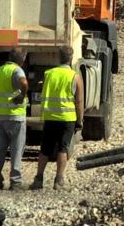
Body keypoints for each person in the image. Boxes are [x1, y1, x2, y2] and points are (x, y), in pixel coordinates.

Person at [30, 45, 84, 190]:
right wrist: (80, 119)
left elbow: (40, 88)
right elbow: (79, 101)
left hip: (50, 117)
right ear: (71, 59)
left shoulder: (49, 74)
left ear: (58, 58)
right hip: (67, 118)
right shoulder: (75, 77)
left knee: (45, 148)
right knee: (63, 148)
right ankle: (58, 180)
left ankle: (38, 179)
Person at [0, 47, 29, 191]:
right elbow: (24, 83)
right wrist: (21, 96)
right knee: (16, 149)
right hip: (16, 116)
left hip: (1, 116)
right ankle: (16, 182)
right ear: (22, 59)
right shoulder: (17, 70)